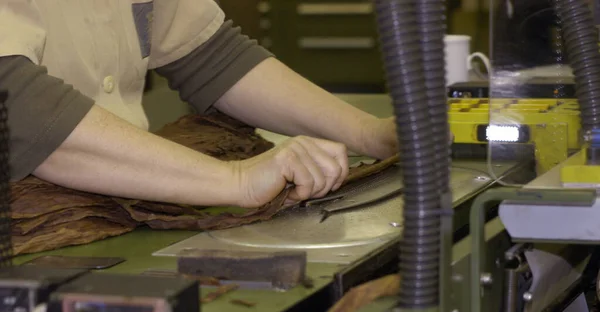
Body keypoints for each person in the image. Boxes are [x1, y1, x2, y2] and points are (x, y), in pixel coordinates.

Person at [0, 0, 400, 209]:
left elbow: (211, 57)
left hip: (113, 195)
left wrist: (371, 134)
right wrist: (235, 181)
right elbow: (21, 110)